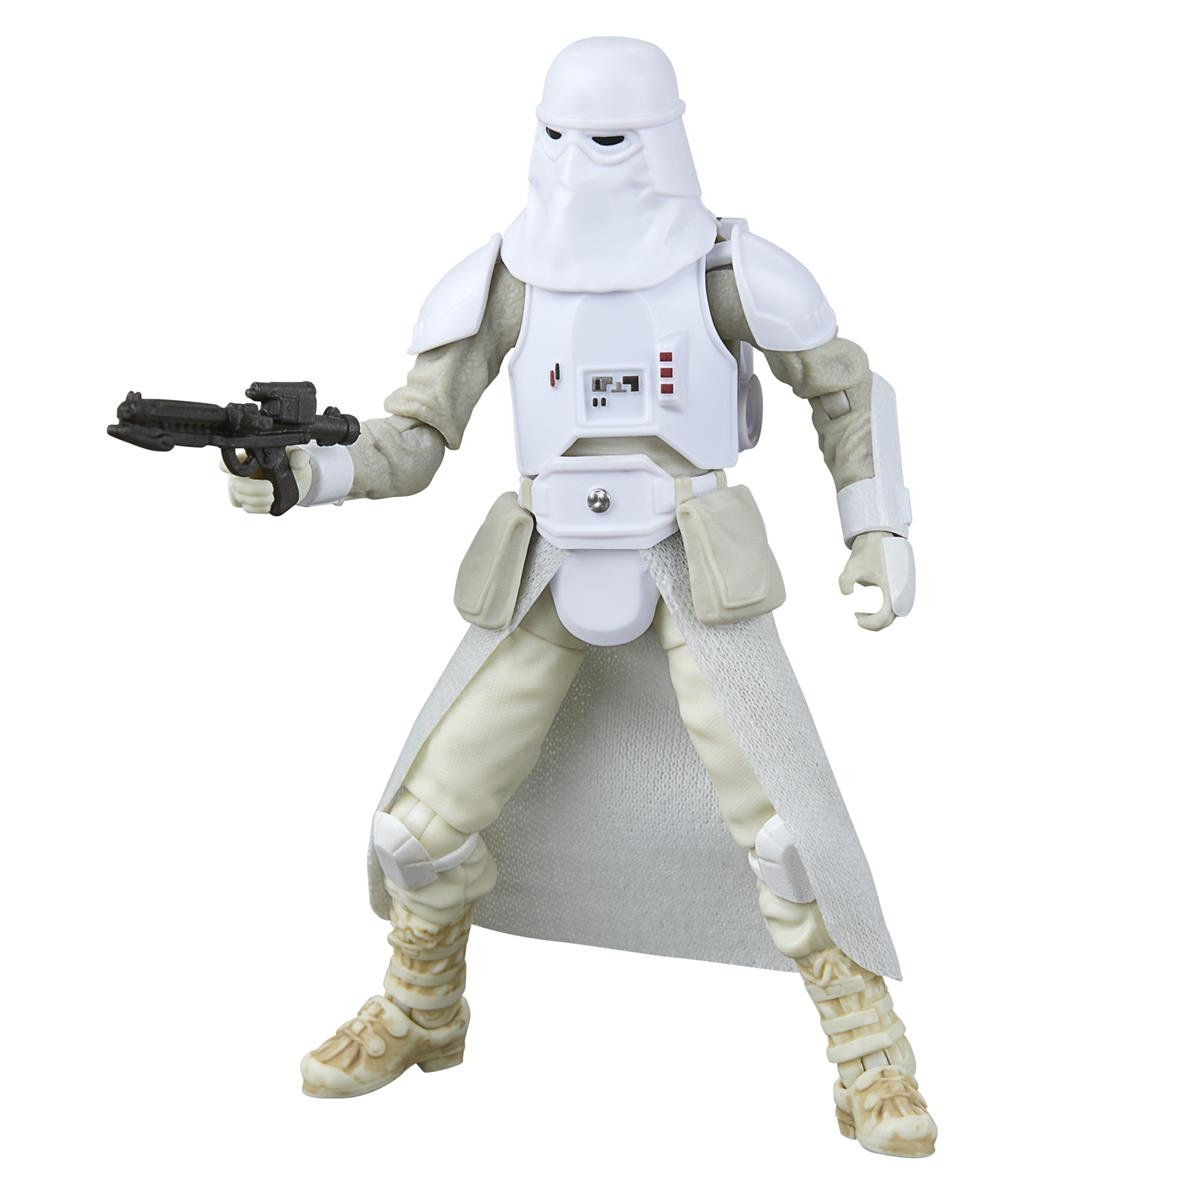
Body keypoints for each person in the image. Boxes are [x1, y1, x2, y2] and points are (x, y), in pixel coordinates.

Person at [228, 37, 936, 1158]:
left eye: (607, 137)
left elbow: (845, 391)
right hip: (547, 562)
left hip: (694, 558)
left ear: (658, 136)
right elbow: (413, 435)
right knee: (415, 827)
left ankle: (870, 1051)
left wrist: (877, 525)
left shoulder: (727, 269)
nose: (583, 159)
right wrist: (307, 473)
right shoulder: (508, 277)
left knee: (790, 832)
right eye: (561, 134)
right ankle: (421, 1006)